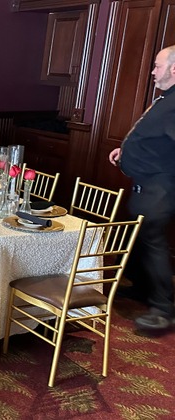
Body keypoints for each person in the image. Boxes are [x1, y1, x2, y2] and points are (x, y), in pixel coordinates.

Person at [109, 44, 175, 331]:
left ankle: (163, 308)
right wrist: (125, 151)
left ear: (174, 69)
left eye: (157, 66)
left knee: (152, 241)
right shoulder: (166, 99)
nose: (152, 72)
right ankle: (140, 287)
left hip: (160, 188)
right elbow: (154, 141)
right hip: (145, 185)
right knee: (136, 237)